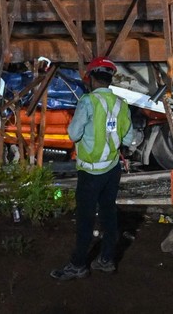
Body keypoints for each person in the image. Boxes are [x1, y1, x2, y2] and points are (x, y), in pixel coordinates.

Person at [52, 56, 134, 281]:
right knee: (109, 215)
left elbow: (73, 134)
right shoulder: (121, 104)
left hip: (90, 173)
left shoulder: (87, 102)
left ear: (91, 79)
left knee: (85, 220)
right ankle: (106, 260)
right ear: (109, 79)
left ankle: (78, 264)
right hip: (112, 170)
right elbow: (130, 138)